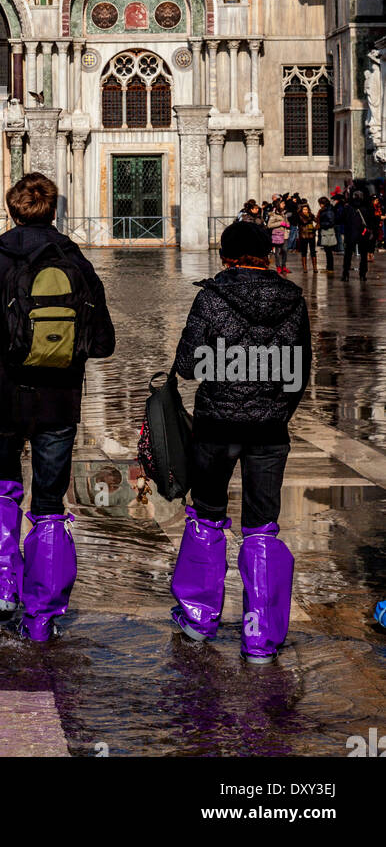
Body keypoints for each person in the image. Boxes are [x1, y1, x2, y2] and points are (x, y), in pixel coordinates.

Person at [0, 173, 115, 640]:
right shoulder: (78, 263)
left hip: (4, 398)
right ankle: (42, 616)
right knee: (49, 504)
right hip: (60, 403)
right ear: (53, 210)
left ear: (12, 210)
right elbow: (103, 343)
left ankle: (2, 588)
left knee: (2, 487)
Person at [169, 220, 311, 664]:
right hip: (269, 431)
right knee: (262, 525)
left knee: (208, 516)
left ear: (226, 256)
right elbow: (300, 371)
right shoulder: (293, 299)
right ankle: (260, 639)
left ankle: (198, 619)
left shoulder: (211, 297)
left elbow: (187, 366)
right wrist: (275, 412)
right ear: (267, 256)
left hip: (215, 427)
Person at [342, 181, 377, 282]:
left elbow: (342, 219)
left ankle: (346, 274)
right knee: (363, 256)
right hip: (363, 234)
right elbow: (372, 221)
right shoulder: (367, 208)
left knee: (348, 255)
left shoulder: (348, 208)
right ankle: (362, 274)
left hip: (351, 234)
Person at [315, 196, 337, 274]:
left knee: (329, 251)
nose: (319, 205)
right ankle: (328, 268)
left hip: (328, 232)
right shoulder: (325, 210)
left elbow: (331, 222)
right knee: (327, 251)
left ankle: (330, 268)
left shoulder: (328, 211)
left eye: (320, 204)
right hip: (325, 231)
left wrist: (321, 224)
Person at [269, 199, 290, 274]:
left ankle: (284, 266)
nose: (284, 205)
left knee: (285, 251)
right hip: (277, 235)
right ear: (278, 205)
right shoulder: (274, 214)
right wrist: (280, 223)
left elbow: (286, 222)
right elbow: (269, 225)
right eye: (282, 203)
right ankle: (278, 266)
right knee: (277, 252)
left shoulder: (284, 213)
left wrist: (288, 225)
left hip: (285, 235)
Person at [297, 201, 317, 273]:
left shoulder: (310, 215)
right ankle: (305, 267)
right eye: (304, 209)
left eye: (306, 209)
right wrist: (310, 217)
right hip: (303, 236)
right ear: (301, 210)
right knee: (304, 252)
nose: (305, 211)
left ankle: (315, 267)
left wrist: (316, 227)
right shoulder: (299, 215)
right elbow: (304, 222)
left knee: (313, 251)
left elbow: (317, 220)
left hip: (311, 235)